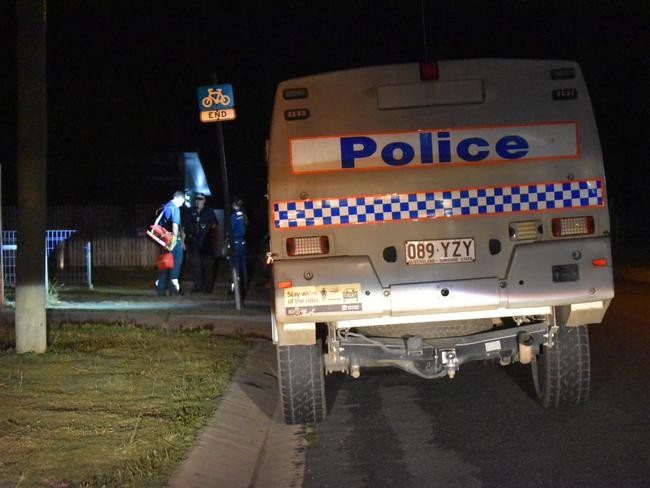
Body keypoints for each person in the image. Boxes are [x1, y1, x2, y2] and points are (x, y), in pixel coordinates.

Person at [184, 192, 219, 293]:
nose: (198, 201)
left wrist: (215, 242)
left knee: (207, 267)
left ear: (204, 200)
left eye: (200, 199)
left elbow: (215, 227)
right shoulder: (190, 211)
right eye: (197, 199)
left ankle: (208, 288)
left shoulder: (209, 212)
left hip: (207, 244)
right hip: (194, 243)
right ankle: (197, 287)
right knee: (196, 267)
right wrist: (184, 242)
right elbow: (185, 226)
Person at [155, 190, 185, 296]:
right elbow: (175, 225)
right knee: (176, 264)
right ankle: (174, 290)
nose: (182, 203)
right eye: (182, 200)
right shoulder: (175, 209)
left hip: (163, 240)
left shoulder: (164, 206)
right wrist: (174, 240)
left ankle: (161, 290)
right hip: (172, 241)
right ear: (177, 198)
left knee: (164, 264)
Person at [230, 198, 248, 295]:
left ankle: (235, 287)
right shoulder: (243, 215)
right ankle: (244, 286)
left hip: (235, 241)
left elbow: (230, 228)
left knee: (235, 265)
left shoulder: (233, 216)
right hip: (242, 242)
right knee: (242, 265)